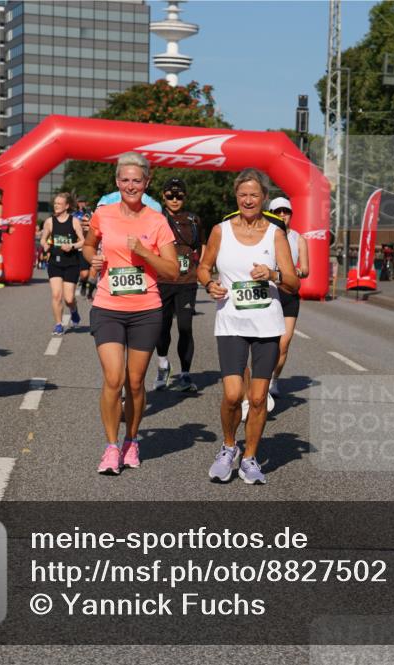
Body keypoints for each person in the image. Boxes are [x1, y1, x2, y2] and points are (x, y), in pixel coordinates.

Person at [196, 168, 300, 485]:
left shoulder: (275, 234)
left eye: (254, 194)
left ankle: (250, 458)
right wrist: (208, 284)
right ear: (236, 197)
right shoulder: (220, 231)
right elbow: (203, 267)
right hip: (231, 322)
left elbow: (293, 283)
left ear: (264, 198)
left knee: (257, 399)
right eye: (243, 194)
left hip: (267, 324)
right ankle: (229, 447)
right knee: (231, 395)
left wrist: (272, 275)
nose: (248, 200)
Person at [82, 152, 179, 474]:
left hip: (145, 310)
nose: (131, 185)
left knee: (135, 383)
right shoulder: (104, 214)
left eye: (137, 180)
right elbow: (88, 244)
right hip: (108, 306)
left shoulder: (157, 221)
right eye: (125, 180)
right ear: (117, 182)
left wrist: (142, 252)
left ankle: (132, 440)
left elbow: (172, 271)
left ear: (147, 183)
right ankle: (111, 447)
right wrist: (92, 259)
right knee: (114, 378)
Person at [153, 178, 205, 392]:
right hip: (162, 281)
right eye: (170, 195)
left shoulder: (194, 219)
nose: (175, 200)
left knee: (185, 327)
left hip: (186, 282)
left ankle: (185, 374)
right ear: (163, 197)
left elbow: (201, 244)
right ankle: (163, 364)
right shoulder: (156, 218)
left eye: (179, 195)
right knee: (162, 327)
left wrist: (198, 266)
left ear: (185, 196)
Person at [267, 196, 309, 397]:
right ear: (272, 214)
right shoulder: (266, 235)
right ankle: (261, 379)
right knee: (267, 343)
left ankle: (274, 380)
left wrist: (296, 272)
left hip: (289, 293)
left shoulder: (298, 238)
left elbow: (306, 269)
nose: (283, 215)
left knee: (284, 342)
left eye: (286, 211)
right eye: (278, 212)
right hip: (269, 293)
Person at [40, 192, 85, 336]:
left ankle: (73, 310)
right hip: (55, 262)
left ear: (67, 206)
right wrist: (45, 245)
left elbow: (83, 241)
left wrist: (72, 246)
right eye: (55, 203)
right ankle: (58, 324)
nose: (56, 206)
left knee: (69, 298)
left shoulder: (74, 221)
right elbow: (43, 239)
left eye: (59, 204)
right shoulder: (49, 222)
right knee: (56, 295)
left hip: (71, 262)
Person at [73, 197, 95, 298]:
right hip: (82, 246)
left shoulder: (93, 214)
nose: (82, 204)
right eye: (80, 202)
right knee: (84, 274)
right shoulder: (74, 215)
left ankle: (90, 293)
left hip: (95, 246)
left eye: (83, 202)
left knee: (93, 274)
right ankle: (83, 284)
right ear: (77, 203)